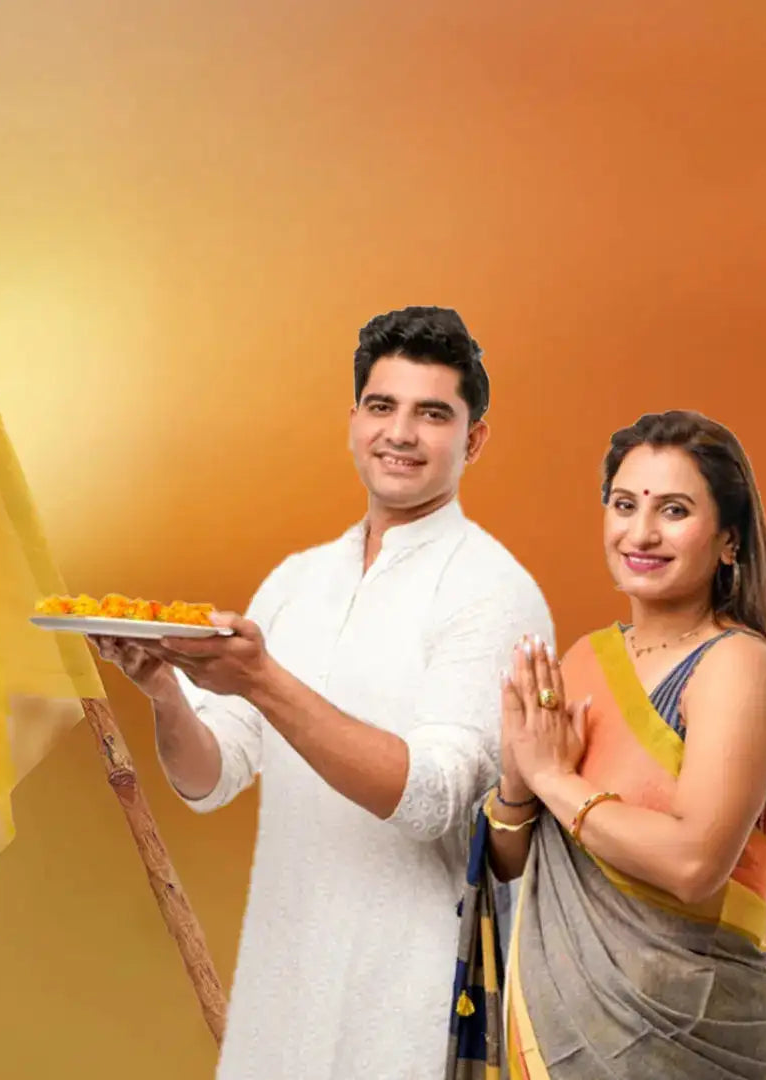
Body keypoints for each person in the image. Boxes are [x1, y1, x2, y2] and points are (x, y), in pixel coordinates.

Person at [92, 306, 553, 1079]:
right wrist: (166, 691)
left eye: (431, 414)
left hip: (410, 999)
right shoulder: (299, 579)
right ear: (353, 421)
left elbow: (436, 799)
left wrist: (264, 681)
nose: (400, 434)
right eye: (382, 406)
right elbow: (211, 778)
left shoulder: (492, 592)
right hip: (282, 988)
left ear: (473, 439)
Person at [460, 410, 766, 1079]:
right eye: (624, 504)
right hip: (558, 1023)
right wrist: (518, 783)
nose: (641, 532)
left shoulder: (742, 667)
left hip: (684, 1036)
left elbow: (695, 864)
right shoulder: (588, 658)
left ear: (730, 540)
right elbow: (512, 865)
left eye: (674, 510)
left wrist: (556, 779)